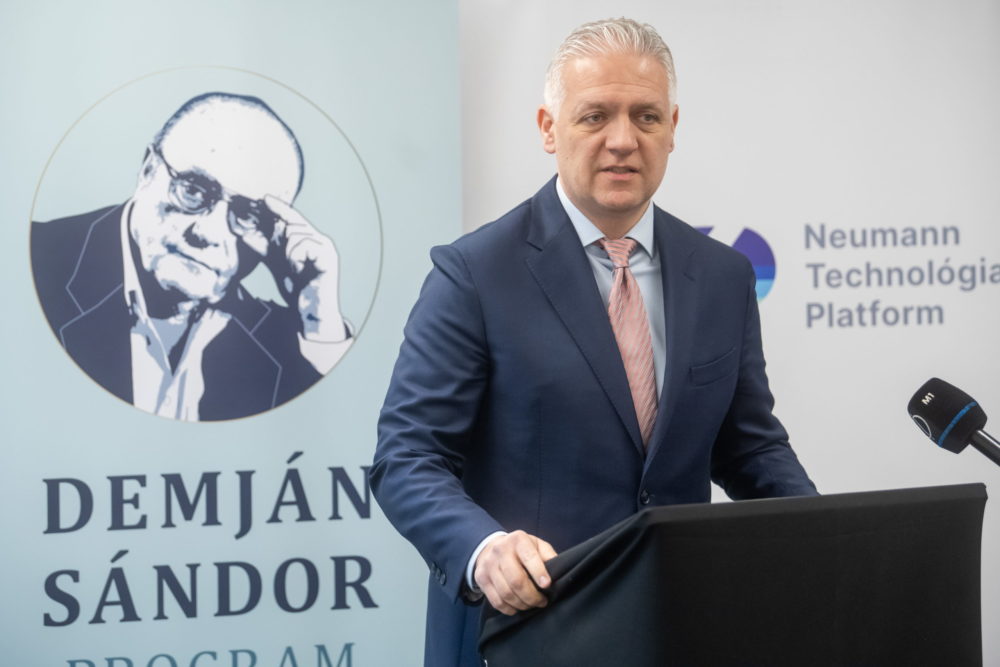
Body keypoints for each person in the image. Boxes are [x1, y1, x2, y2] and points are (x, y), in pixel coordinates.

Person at [371, 17, 817, 667]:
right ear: (549, 129)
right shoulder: (474, 273)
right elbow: (407, 457)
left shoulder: (723, 275)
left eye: (646, 116)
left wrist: (829, 539)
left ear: (672, 127)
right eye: (595, 116)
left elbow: (749, 447)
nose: (623, 140)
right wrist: (484, 550)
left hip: (676, 629)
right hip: (522, 633)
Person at [31, 92, 351, 421]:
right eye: (193, 190)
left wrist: (320, 323)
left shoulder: (284, 343)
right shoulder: (29, 265)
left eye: (249, 214)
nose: (207, 233)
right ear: (148, 170)